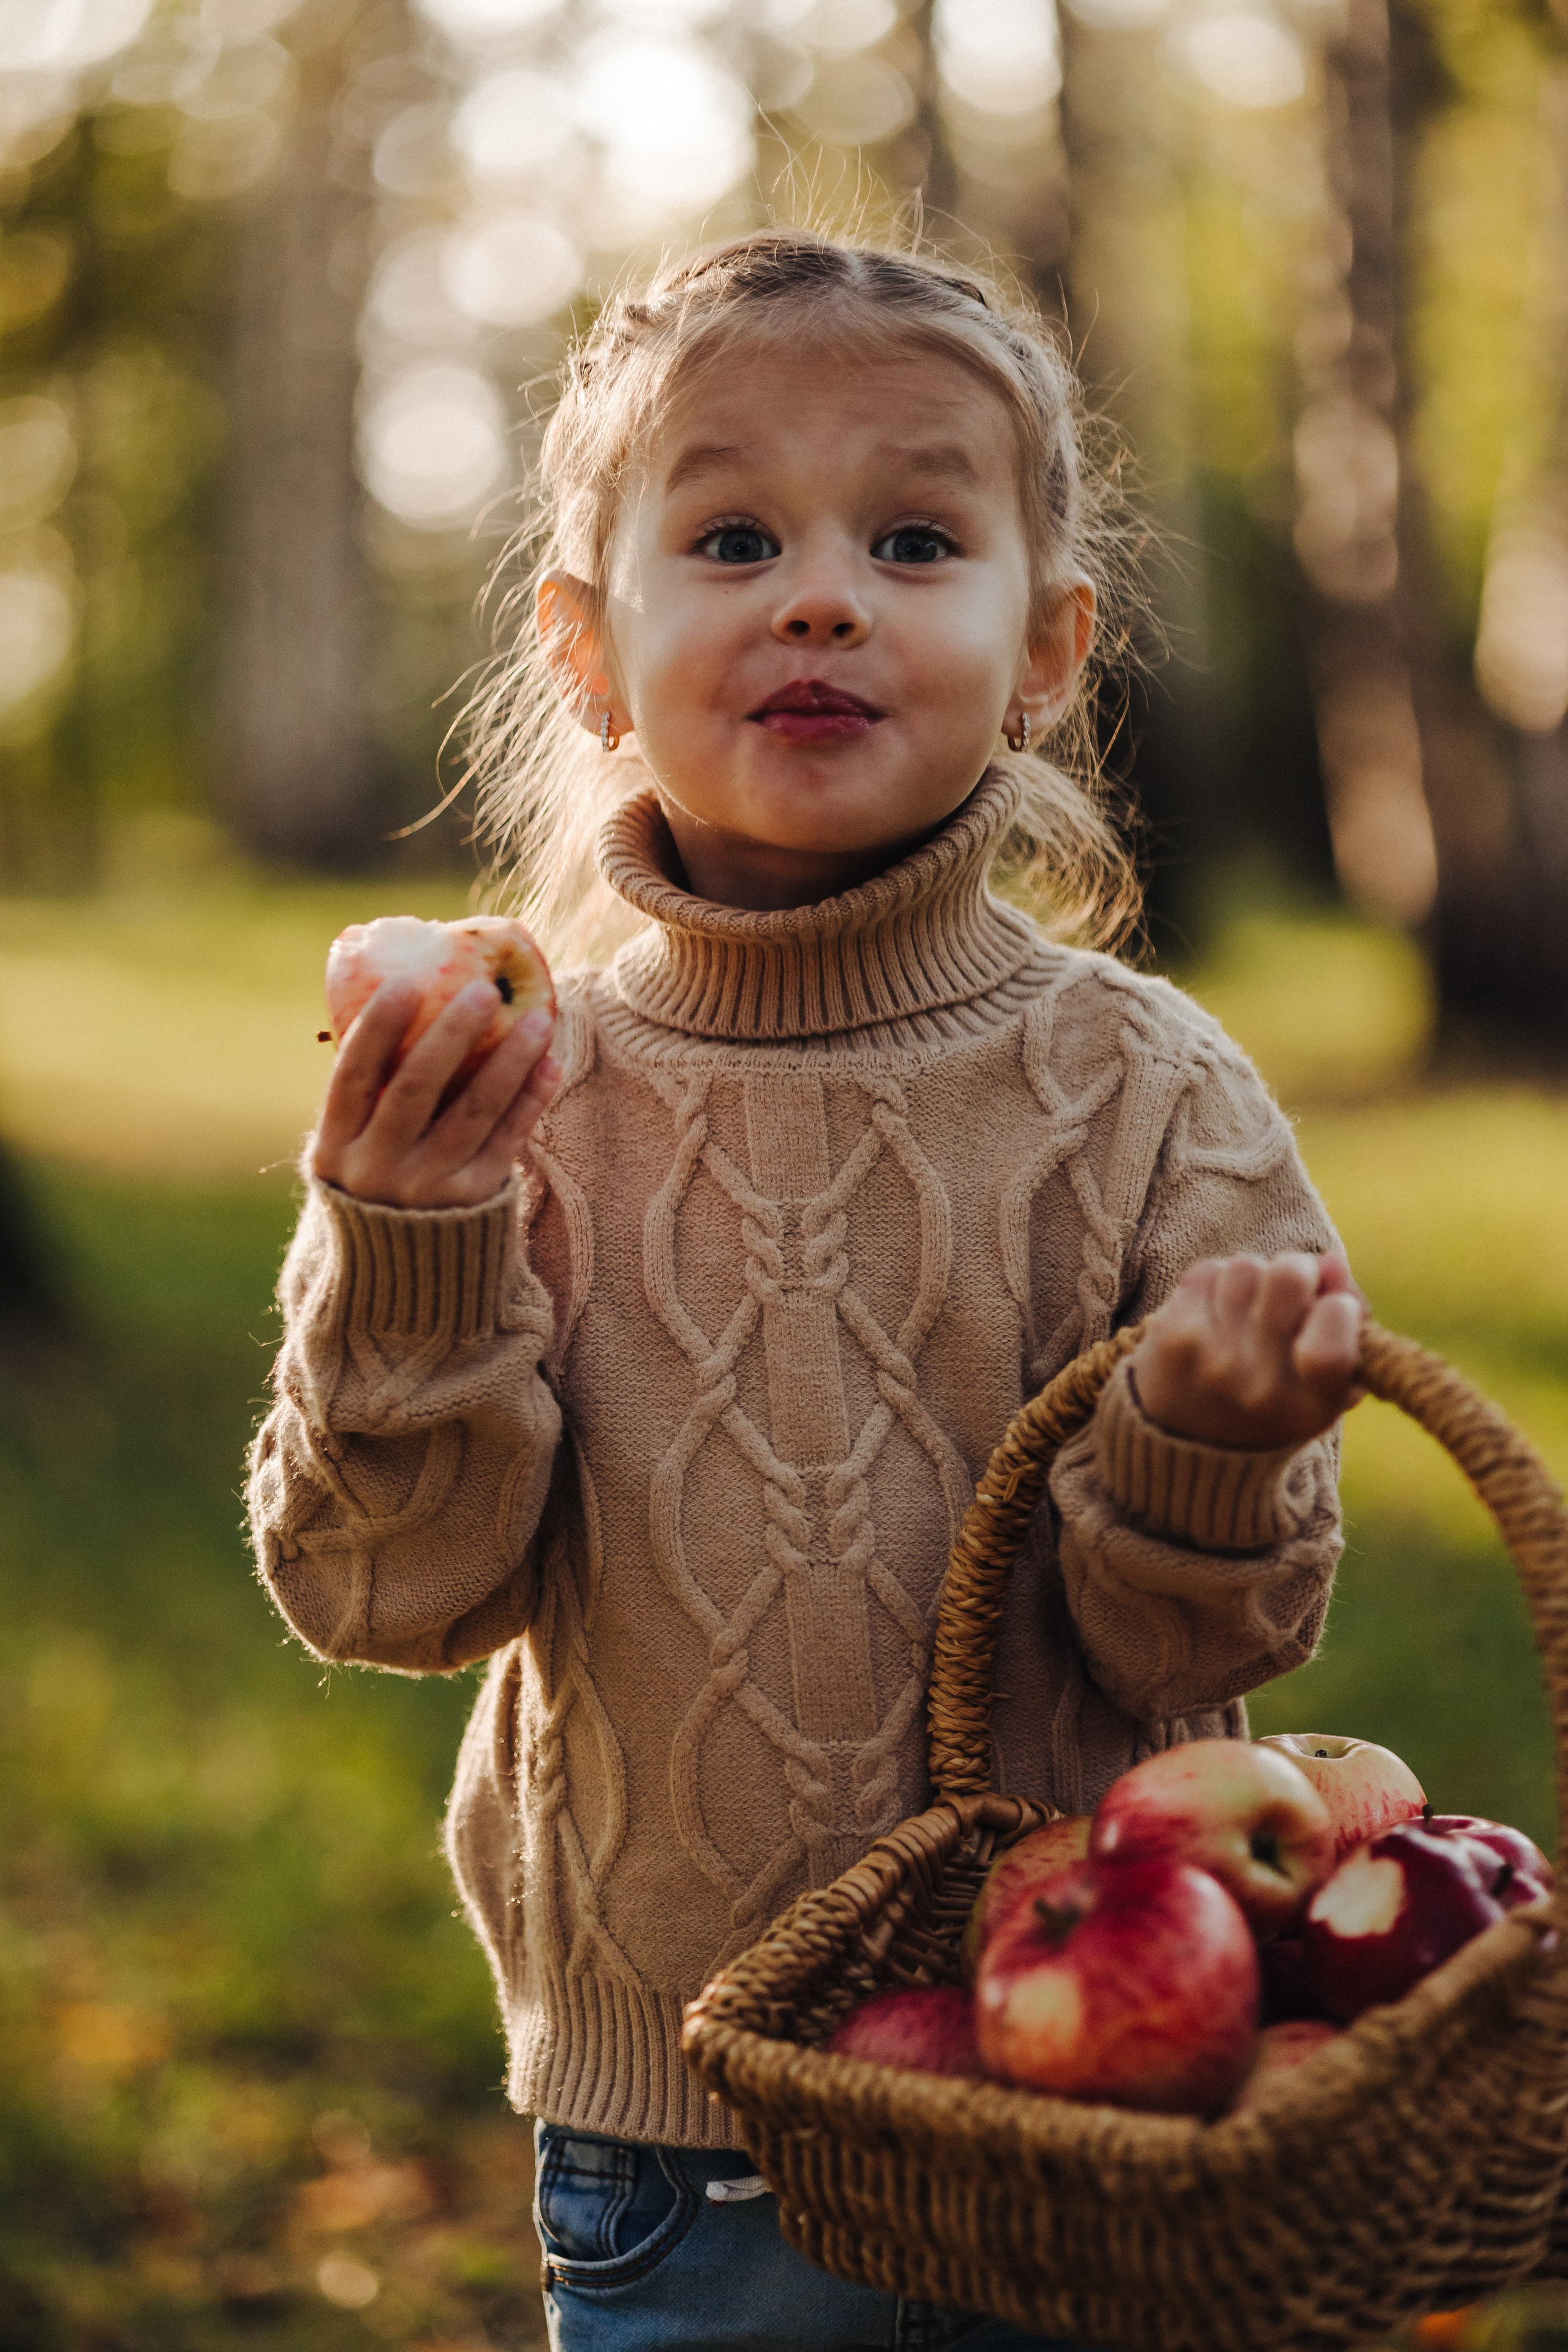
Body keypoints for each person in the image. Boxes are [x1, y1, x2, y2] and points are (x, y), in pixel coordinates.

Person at [248, 233, 1362, 2352]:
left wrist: (1205, 1456)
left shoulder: (1150, 1092)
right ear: (590, 649)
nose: (822, 597)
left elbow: (1216, 1641)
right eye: (735, 537)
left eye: (915, 539)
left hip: (1098, 2104)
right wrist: (410, 1240)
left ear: (1046, 651)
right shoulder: (508, 1086)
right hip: (689, 2150)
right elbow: (387, 1594)